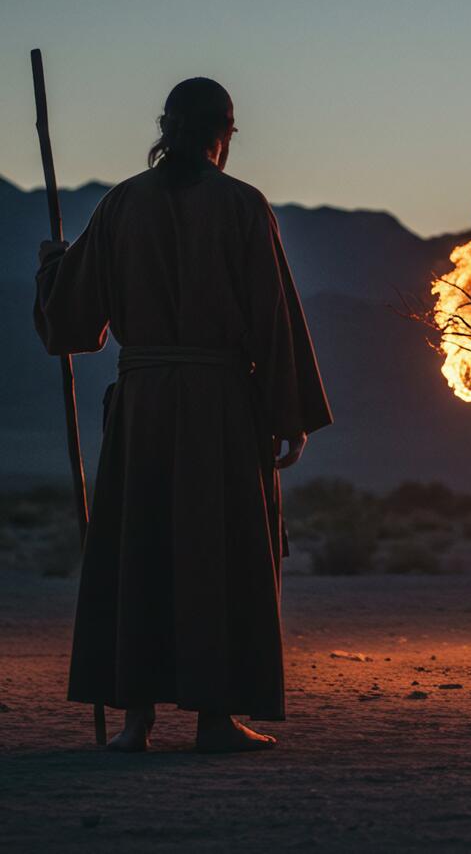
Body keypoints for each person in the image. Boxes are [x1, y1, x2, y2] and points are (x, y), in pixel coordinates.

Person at [34, 77, 331, 753]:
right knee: (214, 553)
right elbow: (272, 317)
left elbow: (71, 320)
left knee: (140, 550)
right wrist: (289, 414)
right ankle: (215, 720)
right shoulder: (242, 207)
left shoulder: (120, 206)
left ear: (167, 129)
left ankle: (137, 723)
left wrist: (52, 267)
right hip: (220, 410)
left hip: (143, 411)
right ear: (219, 135)